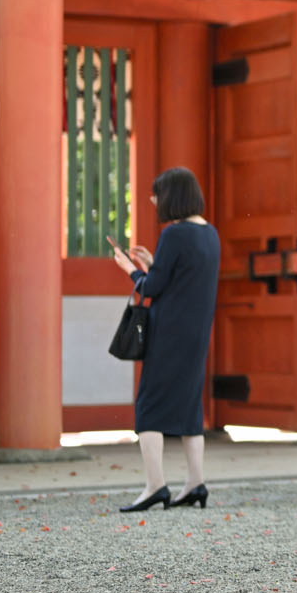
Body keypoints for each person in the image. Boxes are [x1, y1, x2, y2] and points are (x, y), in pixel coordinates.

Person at [110, 166, 221, 512]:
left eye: (156, 194)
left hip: (169, 331)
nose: (153, 200)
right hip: (197, 331)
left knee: (149, 406)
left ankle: (155, 485)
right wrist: (153, 263)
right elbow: (183, 278)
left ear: (171, 196)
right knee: (190, 405)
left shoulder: (175, 234)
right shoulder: (210, 234)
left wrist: (130, 269)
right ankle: (195, 482)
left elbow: (154, 288)